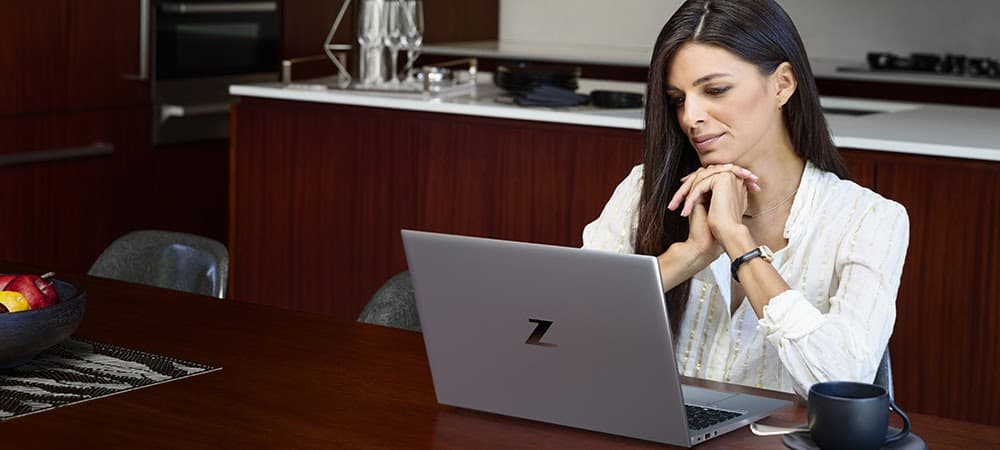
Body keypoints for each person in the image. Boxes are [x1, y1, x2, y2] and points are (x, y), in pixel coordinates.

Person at [582, 0, 909, 397]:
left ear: (782, 84)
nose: (691, 117)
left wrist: (739, 243)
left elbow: (843, 382)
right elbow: (565, 330)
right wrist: (687, 257)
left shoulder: (868, 220)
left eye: (715, 90)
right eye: (678, 99)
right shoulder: (643, 191)